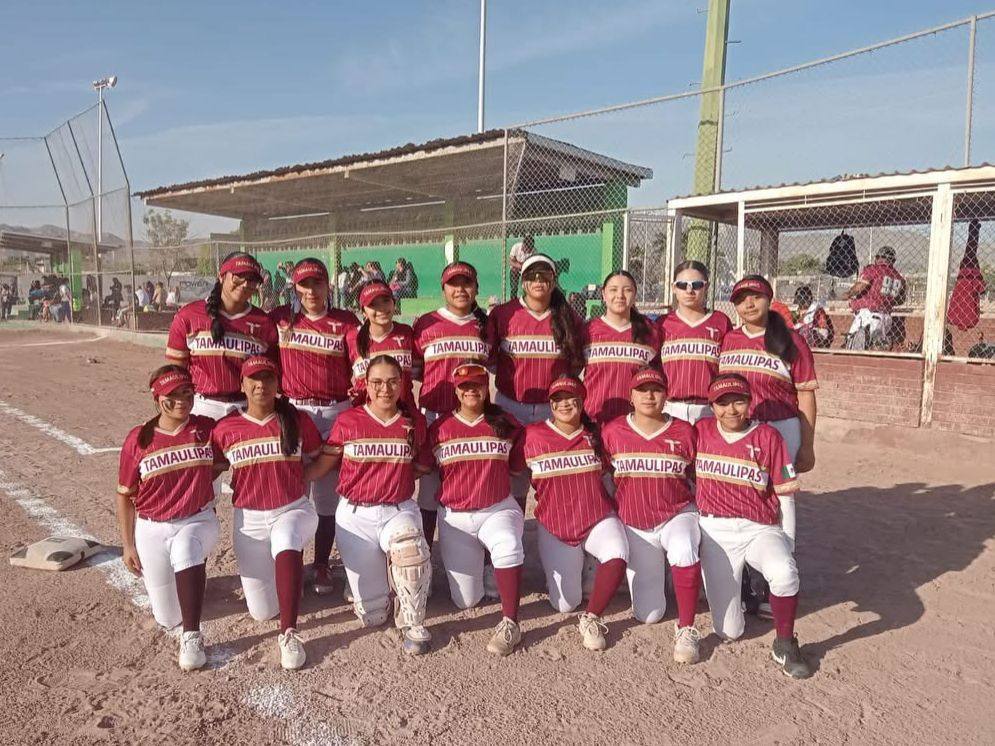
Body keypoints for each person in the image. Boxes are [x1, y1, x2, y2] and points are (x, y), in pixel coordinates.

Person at [307, 355, 434, 655]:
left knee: (410, 550)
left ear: (402, 384)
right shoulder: (348, 420)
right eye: (377, 382)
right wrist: (294, 479)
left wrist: (392, 477)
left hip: (398, 509)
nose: (385, 389)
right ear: (366, 384)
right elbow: (325, 464)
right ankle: (381, 585)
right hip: (355, 515)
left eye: (392, 382)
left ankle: (413, 621)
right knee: (373, 616)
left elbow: (420, 466)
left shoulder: (412, 422)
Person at [694, 374, 810, 678]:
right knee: (729, 631)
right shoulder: (700, 431)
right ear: (711, 406)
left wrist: (788, 542)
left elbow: (785, 494)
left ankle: (785, 643)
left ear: (750, 402)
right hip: (716, 531)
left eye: (739, 401)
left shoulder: (768, 436)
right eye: (722, 403)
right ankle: (745, 589)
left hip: (759, 528)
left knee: (784, 572)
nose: (731, 410)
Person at [211, 355, 323, 670]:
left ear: (278, 383)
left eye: (268, 378)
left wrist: (303, 478)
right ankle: (290, 582)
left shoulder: (297, 420)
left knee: (286, 538)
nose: (261, 385)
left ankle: (289, 633)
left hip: (293, 509)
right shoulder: (226, 428)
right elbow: (213, 469)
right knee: (262, 612)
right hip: (249, 520)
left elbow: (321, 457)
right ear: (242, 385)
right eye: (254, 379)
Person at [719, 275, 818, 618]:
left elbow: (806, 394)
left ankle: (779, 576)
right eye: (741, 298)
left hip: (781, 426)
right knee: (742, 496)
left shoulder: (789, 340)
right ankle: (748, 579)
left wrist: (807, 445)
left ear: (769, 298)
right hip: (741, 430)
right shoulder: (729, 340)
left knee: (781, 501)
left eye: (756, 296)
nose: (749, 304)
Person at [513, 376, 629, 651]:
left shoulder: (596, 435)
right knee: (566, 604)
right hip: (555, 523)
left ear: (582, 401)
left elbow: (611, 473)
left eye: (571, 398)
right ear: (550, 404)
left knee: (617, 552)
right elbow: (514, 470)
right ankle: (575, 565)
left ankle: (592, 617)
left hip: (596, 516)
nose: (564, 404)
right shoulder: (532, 435)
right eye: (558, 399)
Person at [116, 366, 219, 671]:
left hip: (197, 519)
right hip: (152, 528)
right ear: (156, 399)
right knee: (167, 617)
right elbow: (125, 496)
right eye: (171, 396)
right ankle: (190, 583)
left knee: (186, 549)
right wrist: (128, 545)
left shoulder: (206, 429)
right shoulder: (139, 439)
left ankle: (192, 636)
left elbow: (231, 455)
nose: (181, 401)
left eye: (186, 393)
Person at [422, 363, 526, 655]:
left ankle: (511, 622)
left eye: (477, 385)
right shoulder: (439, 428)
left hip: (497, 509)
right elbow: (425, 468)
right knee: (466, 601)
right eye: (465, 386)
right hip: (455, 517)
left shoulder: (506, 423)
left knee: (508, 544)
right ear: (456, 391)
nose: (471, 391)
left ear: (486, 388)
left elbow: (516, 468)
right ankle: (486, 568)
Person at [270, 258, 359, 596]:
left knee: (327, 496)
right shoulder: (281, 319)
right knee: (292, 492)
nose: (311, 291)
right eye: (304, 285)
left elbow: (359, 363)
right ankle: (289, 563)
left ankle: (321, 563)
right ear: (295, 288)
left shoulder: (344, 322)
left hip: (336, 410)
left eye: (317, 283)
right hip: (294, 410)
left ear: (327, 285)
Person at [602, 367, 702, 663]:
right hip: (635, 522)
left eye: (656, 390)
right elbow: (604, 476)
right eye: (642, 390)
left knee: (684, 547)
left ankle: (687, 628)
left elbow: (698, 476)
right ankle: (670, 578)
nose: (649, 396)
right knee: (649, 614)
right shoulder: (613, 431)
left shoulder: (685, 431)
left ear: (666, 395)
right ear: (630, 396)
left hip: (676, 513)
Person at [486, 253, 584, 511]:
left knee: (551, 473)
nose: (539, 281)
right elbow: (491, 360)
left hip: (552, 410)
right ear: (523, 281)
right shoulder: (504, 314)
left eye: (545, 275)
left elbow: (576, 364)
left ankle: (554, 527)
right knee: (513, 476)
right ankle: (515, 526)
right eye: (532, 276)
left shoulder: (567, 316)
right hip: (511, 405)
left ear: (554, 280)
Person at [412, 262, 490, 548]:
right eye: (453, 284)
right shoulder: (427, 323)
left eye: (466, 283)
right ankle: (425, 552)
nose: (460, 289)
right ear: (443, 288)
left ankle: (475, 550)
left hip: (474, 419)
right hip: (435, 415)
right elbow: (417, 370)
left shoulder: (484, 325)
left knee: (473, 482)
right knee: (429, 487)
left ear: (476, 288)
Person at [165, 252, 278, 421]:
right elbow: (176, 373)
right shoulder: (188, 316)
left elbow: (269, 375)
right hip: (201, 406)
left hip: (246, 408)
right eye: (238, 276)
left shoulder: (264, 323)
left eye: (252, 279)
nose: (245, 284)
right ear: (221, 276)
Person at [657, 261, 733, 425]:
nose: (689, 290)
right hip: (671, 407)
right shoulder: (662, 323)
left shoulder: (720, 321)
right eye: (682, 285)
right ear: (674, 288)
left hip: (709, 408)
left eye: (697, 285)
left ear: (707, 286)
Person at [583, 270, 660, 424]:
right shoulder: (587, 331)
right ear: (603, 294)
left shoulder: (650, 331)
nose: (620, 295)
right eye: (613, 290)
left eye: (627, 290)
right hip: (594, 420)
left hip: (634, 423)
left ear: (635, 295)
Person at [346, 280, 415, 405]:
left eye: (386, 301)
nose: (382, 308)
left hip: (404, 412)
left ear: (394, 302)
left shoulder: (407, 333)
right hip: (366, 412)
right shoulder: (352, 338)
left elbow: (421, 371)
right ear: (363, 311)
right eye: (373, 304)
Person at [844, 246, 906, 350]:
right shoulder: (899, 277)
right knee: (873, 349)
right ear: (893, 261)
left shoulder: (873, 269)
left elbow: (860, 287)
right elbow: (900, 300)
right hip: (886, 319)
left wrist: (848, 294)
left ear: (878, 258)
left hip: (868, 316)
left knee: (852, 345)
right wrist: (885, 299)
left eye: (877, 257)